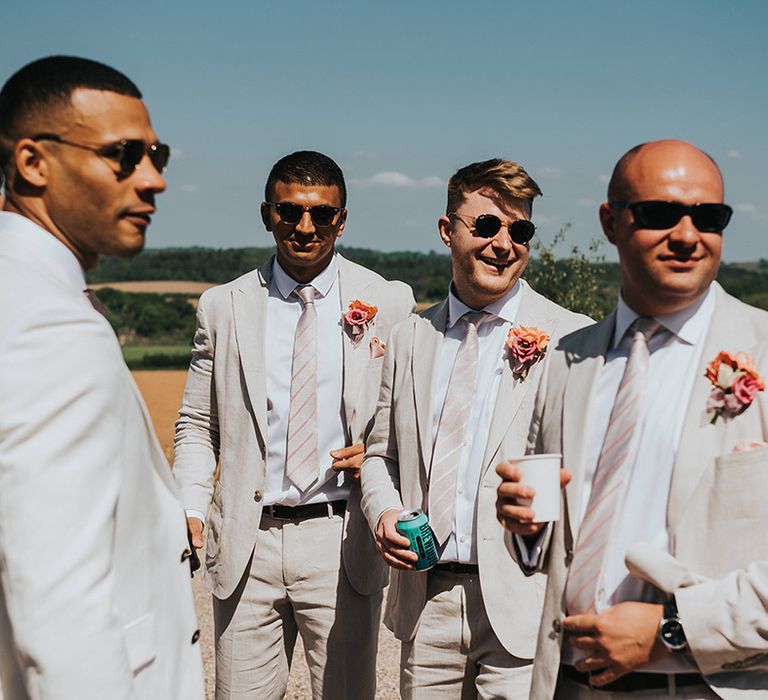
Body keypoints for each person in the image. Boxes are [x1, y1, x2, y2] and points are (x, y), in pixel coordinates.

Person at [497, 139, 768, 699]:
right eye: (660, 214)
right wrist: (526, 527)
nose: (688, 235)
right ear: (610, 222)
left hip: (702, 684)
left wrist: (675, 632)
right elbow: (551, 542)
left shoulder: (762, 351)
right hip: (567, 681)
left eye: (709, 217)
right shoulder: (568, 361)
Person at [173, 150, 415, 699]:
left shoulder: (389, 301)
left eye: (321, 214)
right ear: (267, 214)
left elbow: (408, 417)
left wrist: (376, 450)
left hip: (342, 537)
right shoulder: (222, 306)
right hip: (246, 538)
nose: (305, 227)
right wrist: (189, 504)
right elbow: (196, 421)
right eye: (289, 212)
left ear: (342, 218)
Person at [0, 56, 204, 699]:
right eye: (123, 155)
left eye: (156, 154)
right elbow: (62, 606)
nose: (154, 181)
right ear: (35, 162)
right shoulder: (51, 325)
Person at [359, 158, 591, 699]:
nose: (503, 244)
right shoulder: (409, 338)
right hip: (426, 602)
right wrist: (385, 512)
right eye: (486, 225)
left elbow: (588, 474)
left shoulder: (572, 340)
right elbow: (380, 455)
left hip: (524, 602)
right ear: (447, 231)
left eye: (520, 230)